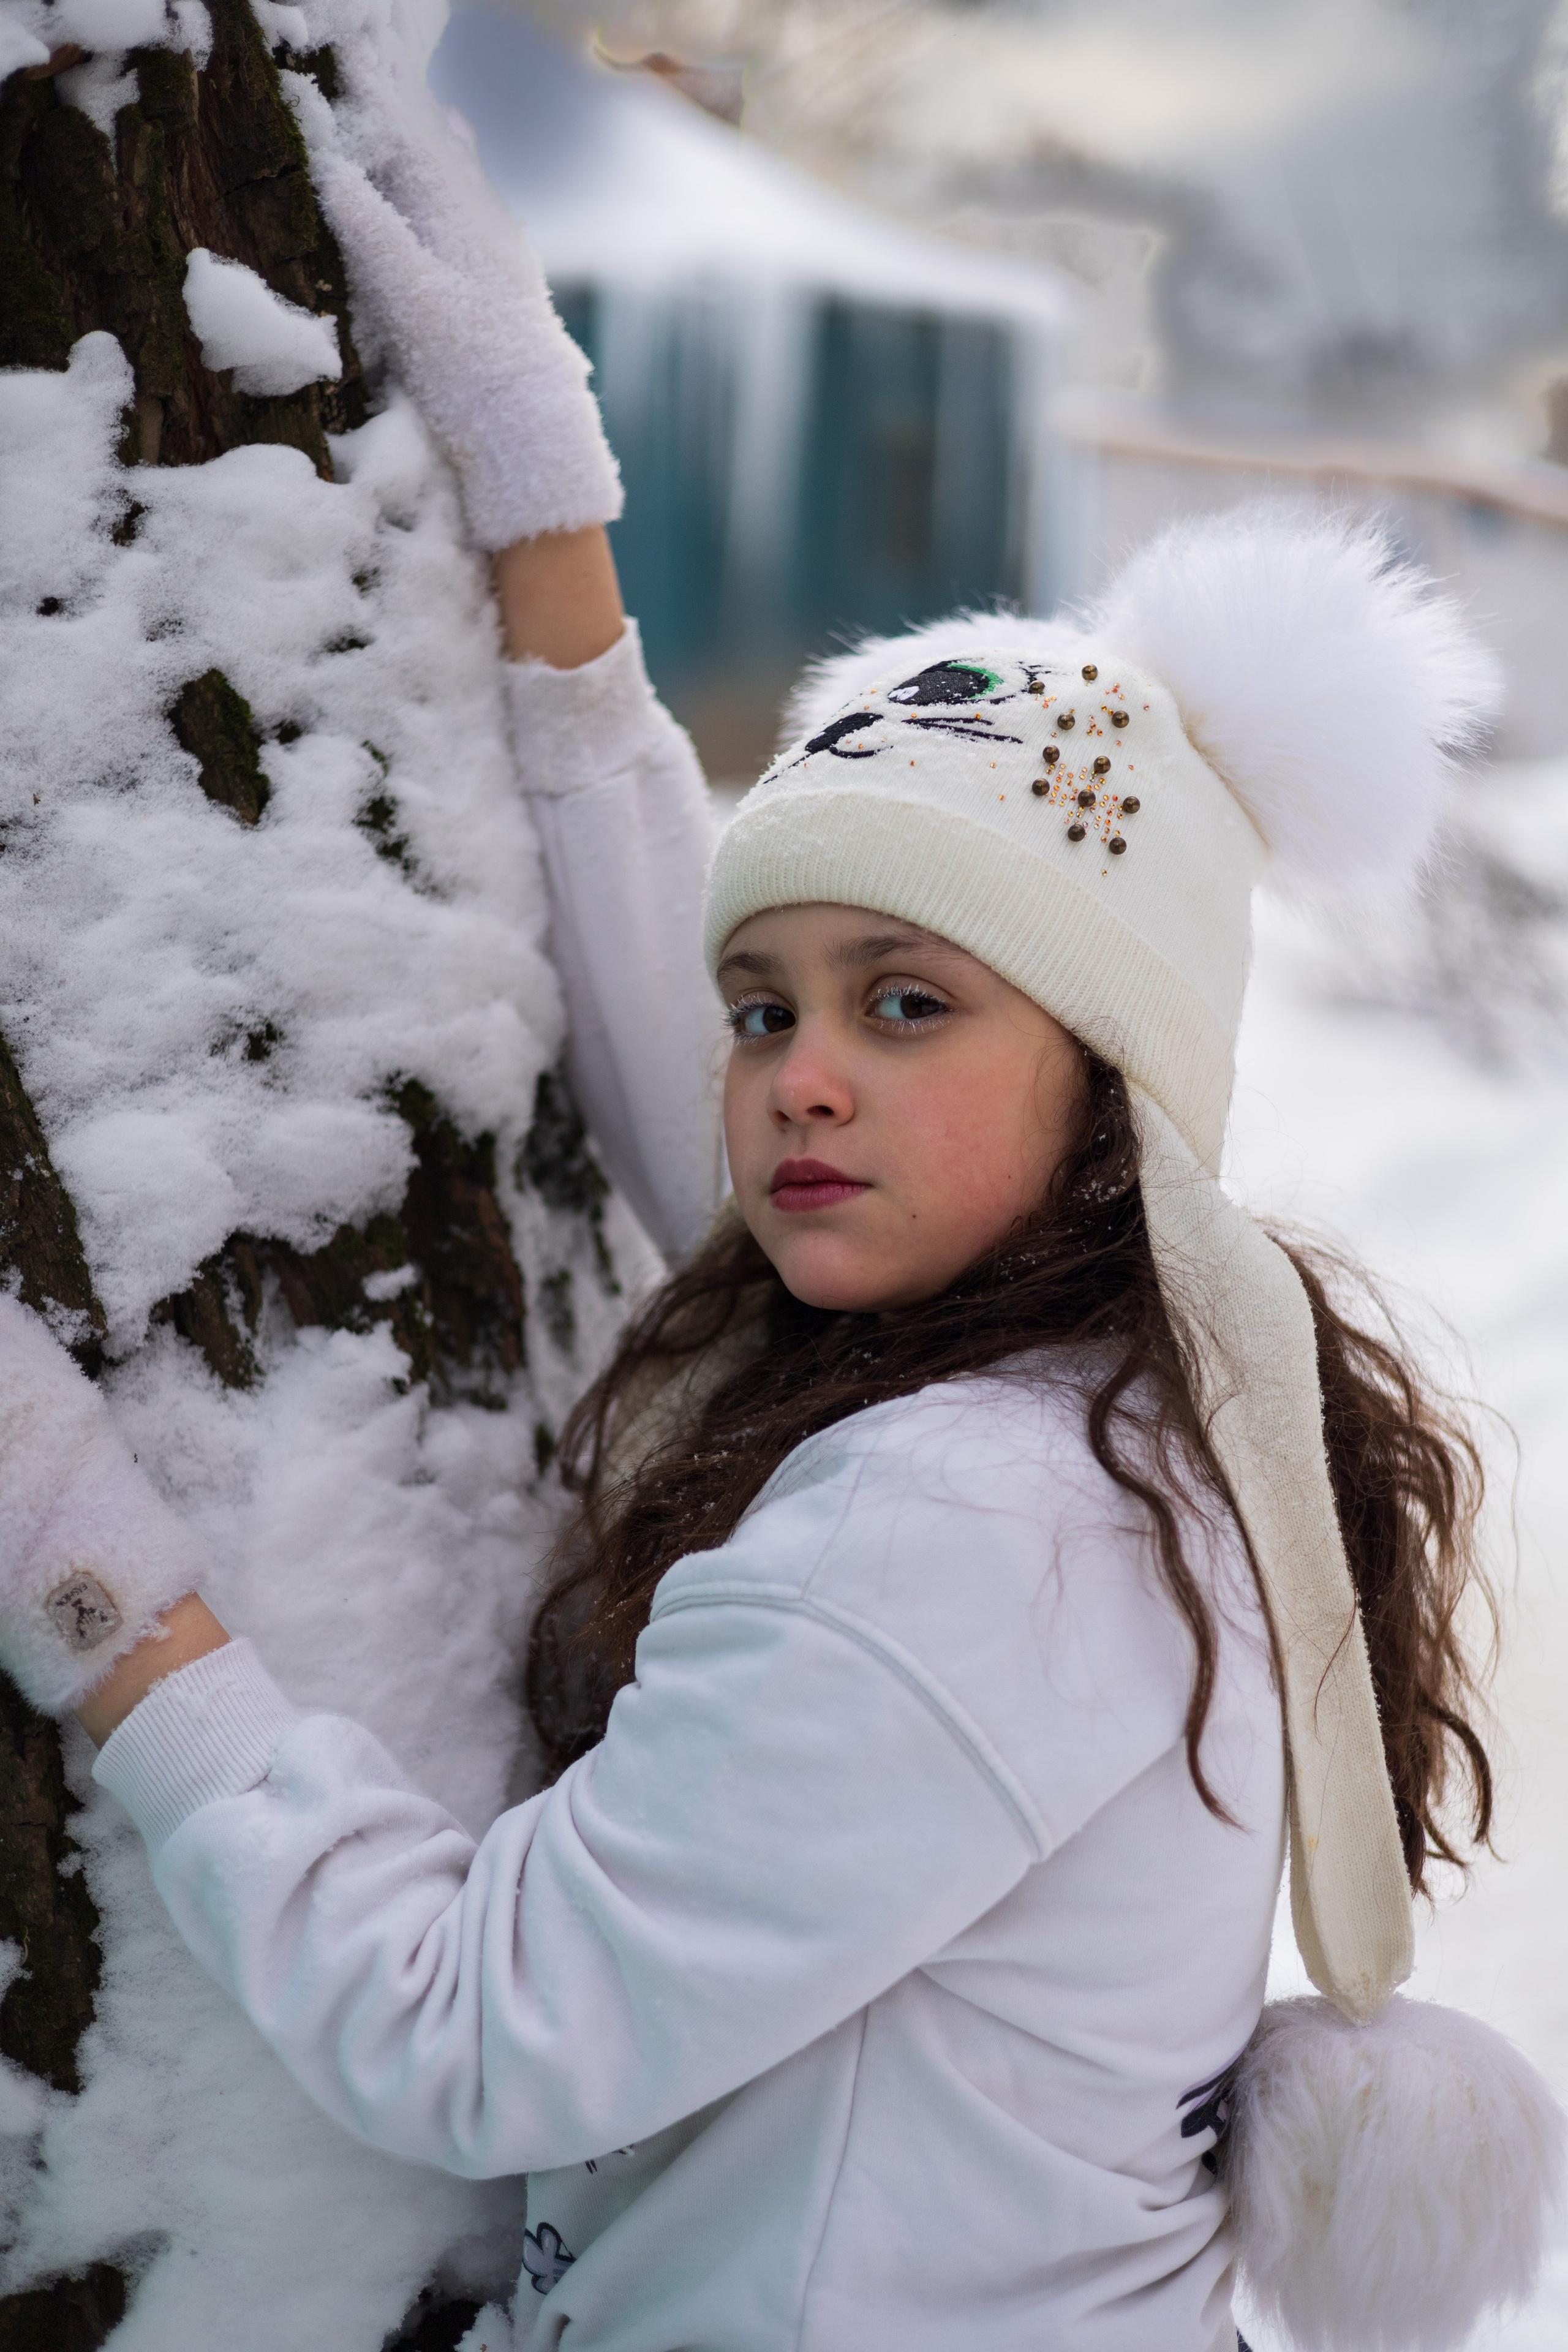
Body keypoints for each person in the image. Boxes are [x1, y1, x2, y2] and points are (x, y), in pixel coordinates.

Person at [0, 30, 1556, 2352]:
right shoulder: (1116, 1391)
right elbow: (697, 1041)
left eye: (908, 1005)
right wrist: (544, 508)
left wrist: (100, 1585)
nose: (801, 1075)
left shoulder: (966, 1525)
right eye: (770, 1006)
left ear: (1113, 1073)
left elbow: (470, 2032)